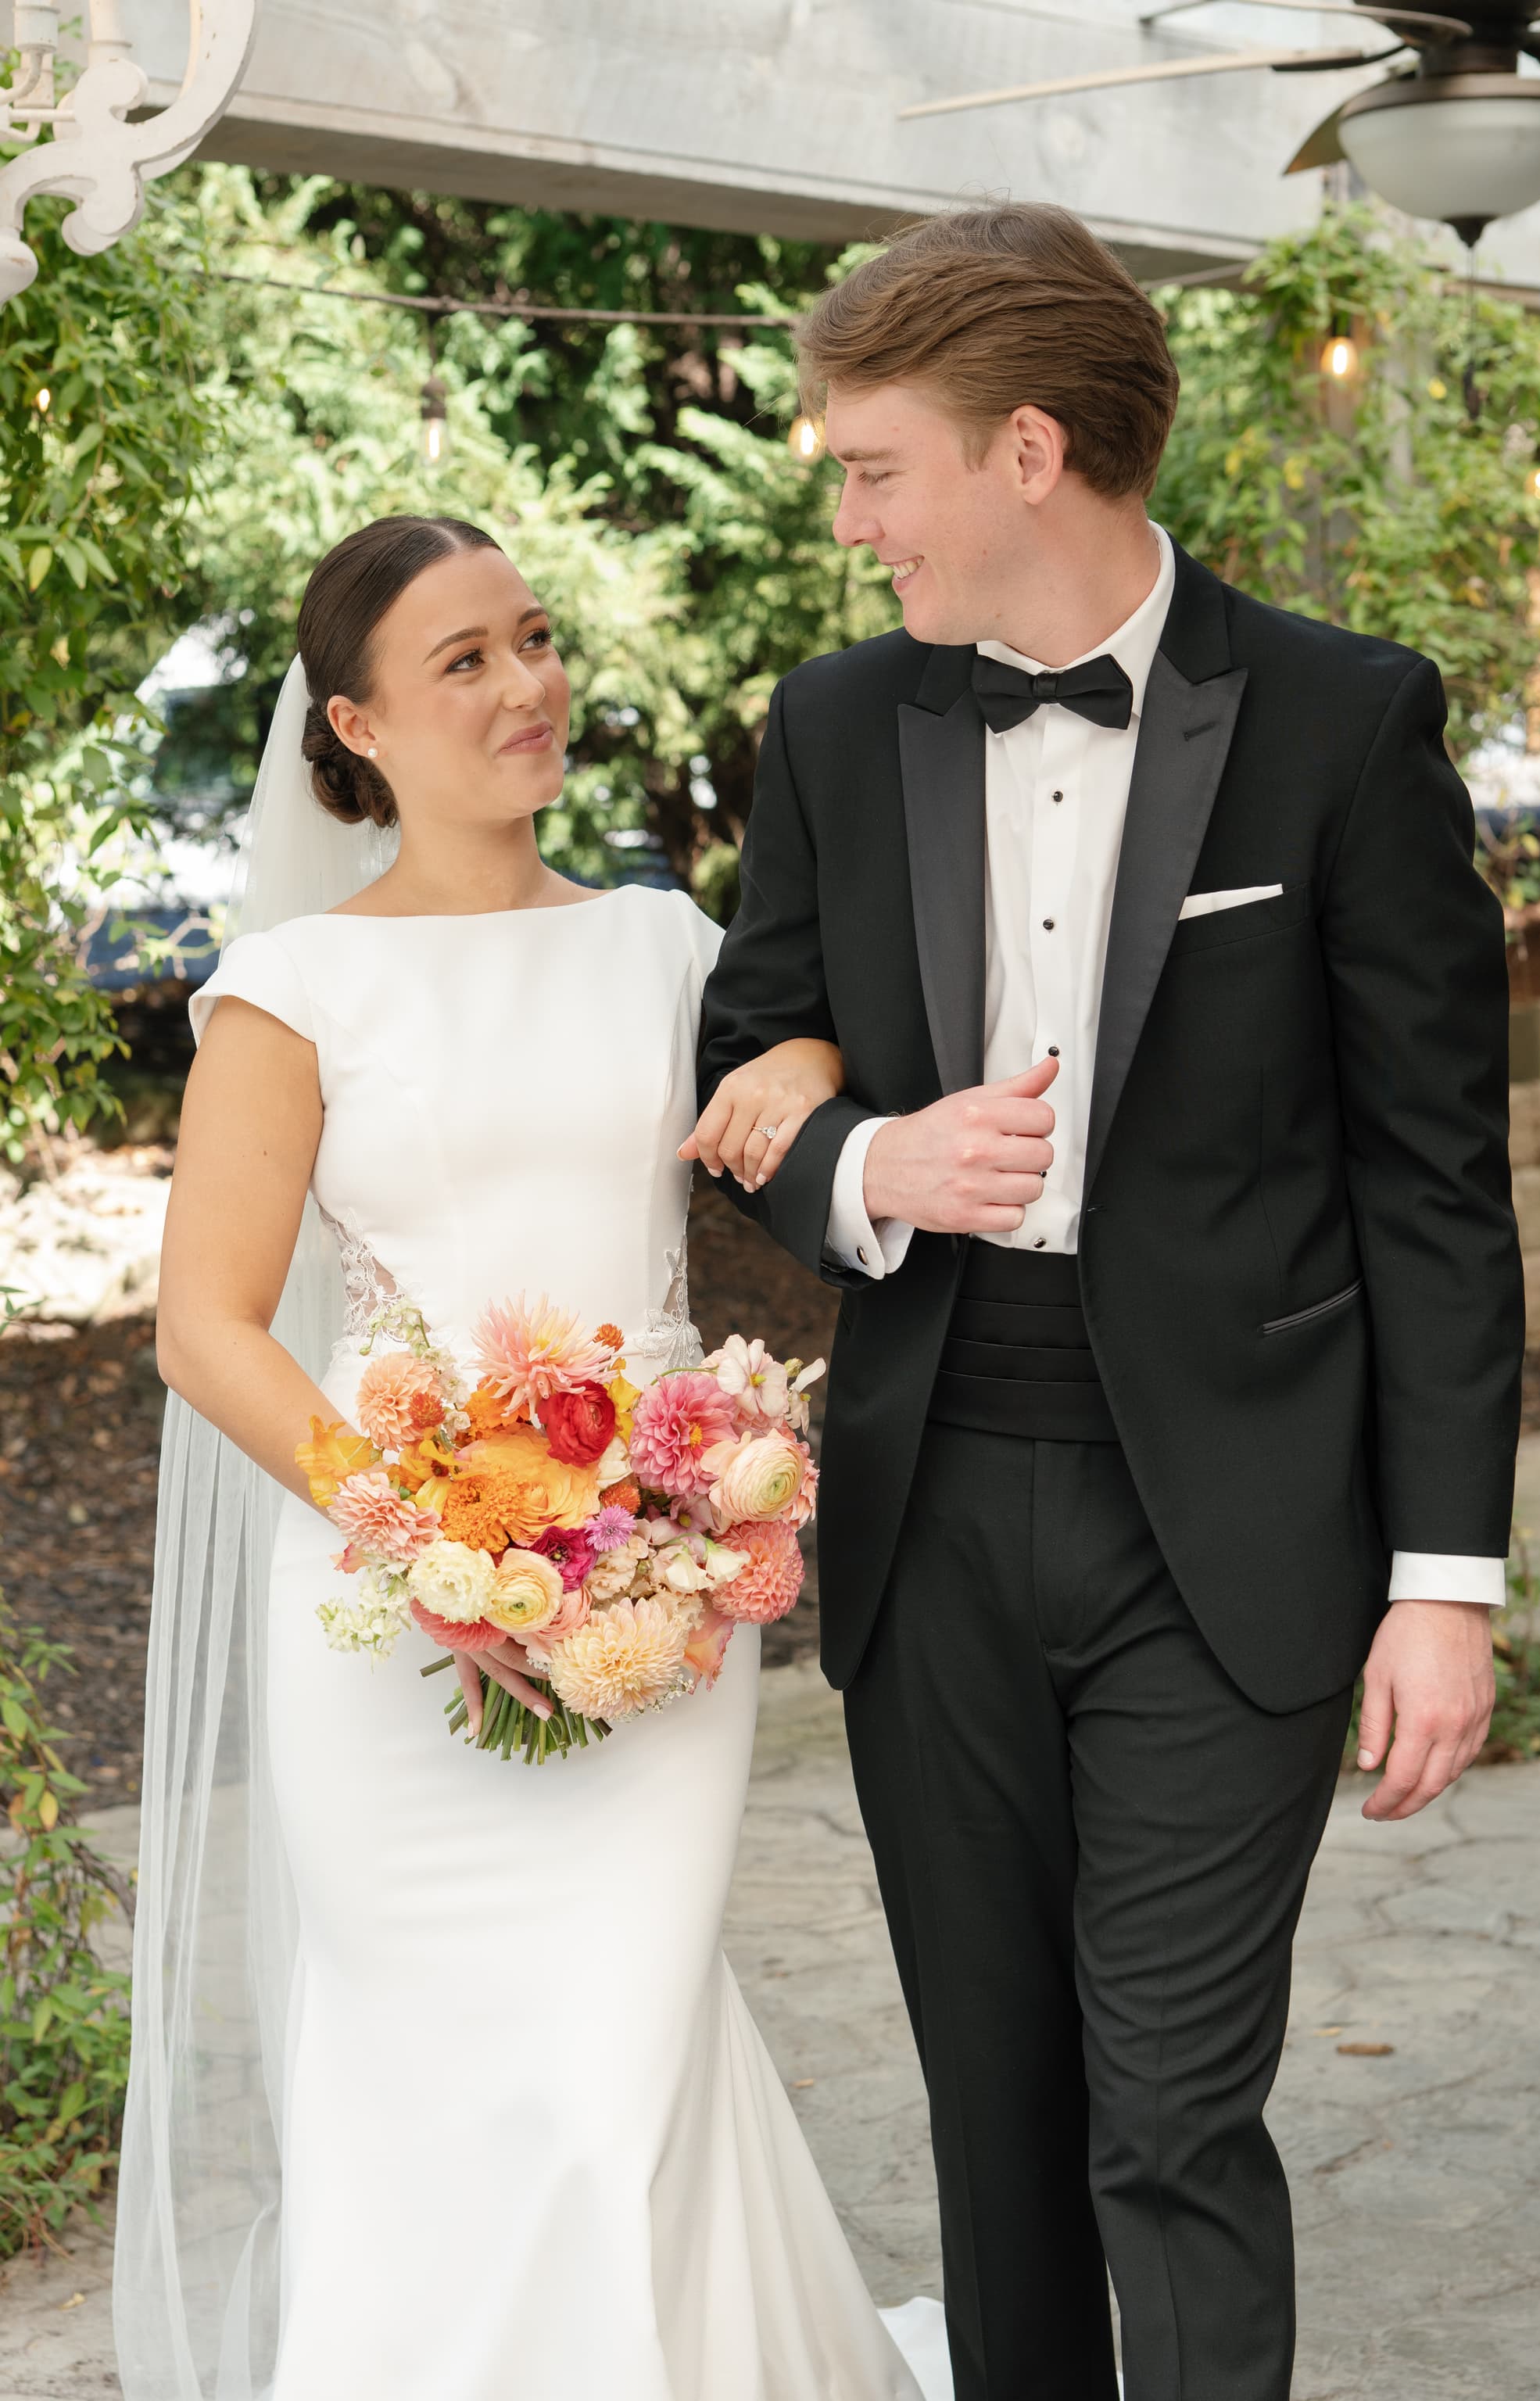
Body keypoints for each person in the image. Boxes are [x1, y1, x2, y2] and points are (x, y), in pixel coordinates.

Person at [692, 203, 1523, 2401]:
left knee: (1165, 2114)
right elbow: (749, 1065)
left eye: (874, 467)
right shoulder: (838, 722)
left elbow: (1435, 1179)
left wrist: (1445, 1579)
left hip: (1230, 1529)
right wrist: (880, 1162)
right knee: (1004, 2125)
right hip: (934, 1497)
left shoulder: (1343, 725)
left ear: (1028, 449)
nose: (848, 513)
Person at [113, 514, 940, 2401]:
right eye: (463, 661)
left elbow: (797, 1088)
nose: (526, 685)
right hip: (392, 1621)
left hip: (654, 1592)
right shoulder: (290, 986)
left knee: (614, 2060)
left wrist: (802, 1077)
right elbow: (207, 1327)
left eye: (535, 639)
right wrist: (424, 1539)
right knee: (430, 2074)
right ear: (359, 726)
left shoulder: (668, 944)